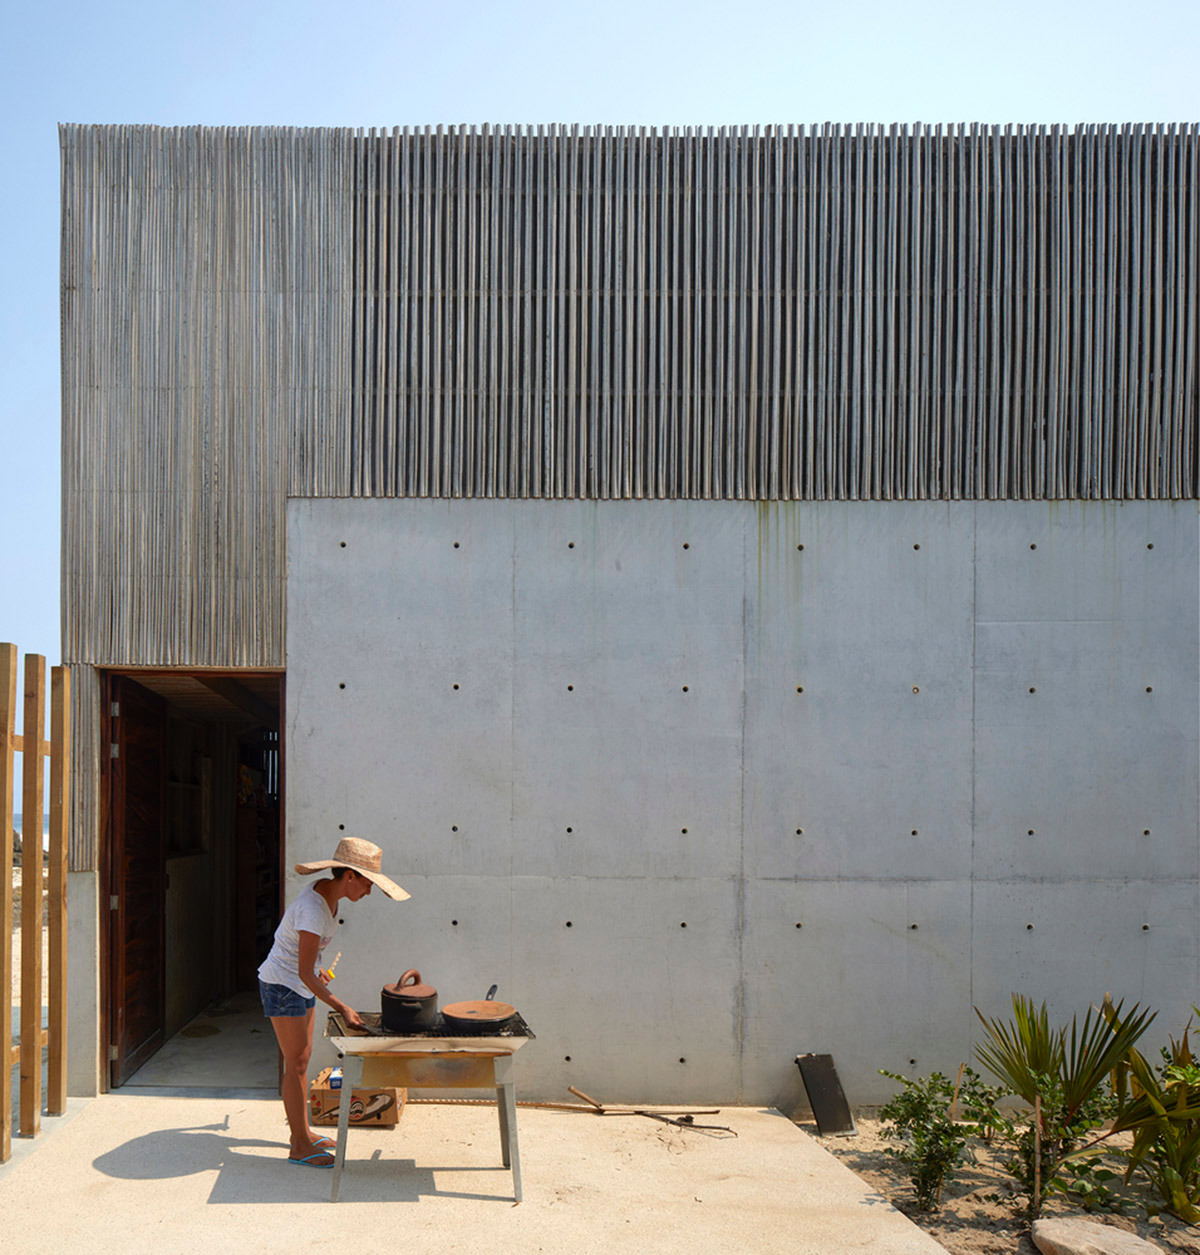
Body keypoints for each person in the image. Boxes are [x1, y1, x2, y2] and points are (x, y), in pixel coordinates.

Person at [257, 836, 409, 1167]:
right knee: (295, 1063)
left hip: (300, 983)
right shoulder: (313, 910)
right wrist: (342, 1006)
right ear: (350, 876)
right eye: (368, 884)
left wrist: (317, 972)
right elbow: (301, 968)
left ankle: (304, 1133)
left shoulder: (328, 891)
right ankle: (299, 1145)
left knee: (302, 1059)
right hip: (283, 986)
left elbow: (307, 962)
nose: (369, 892)